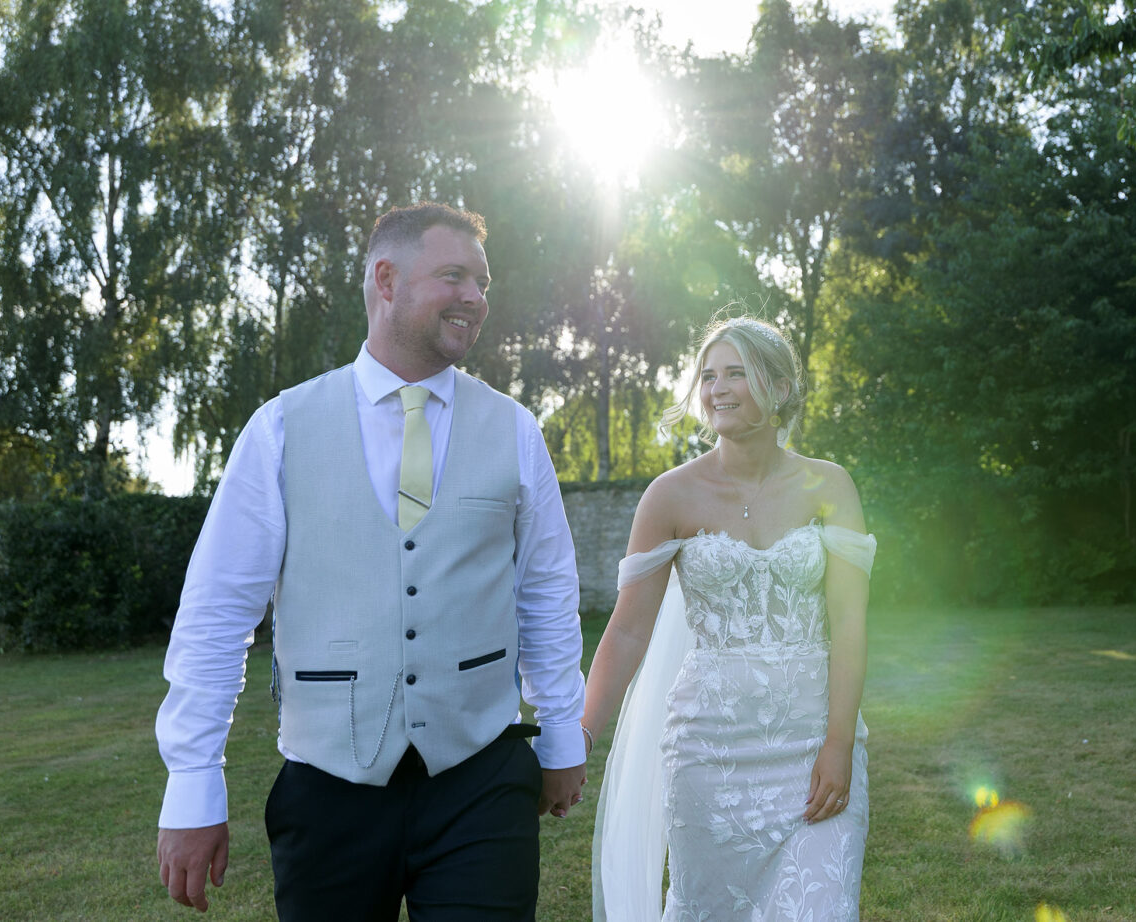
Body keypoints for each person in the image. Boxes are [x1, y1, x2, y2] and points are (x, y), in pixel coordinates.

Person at [155, 202, 587, 921]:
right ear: (385, 279)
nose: (476, 299)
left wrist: (563, 731)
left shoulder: (513, 430)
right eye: (454, 276)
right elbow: (218, 610)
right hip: (329, 790)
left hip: (481, 778)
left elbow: (544, 590)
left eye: (483, 282)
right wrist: (193, 781)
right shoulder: (282, 429)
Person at [582, 313, 876, 921]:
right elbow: (630, 629)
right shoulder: (670, 495)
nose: (716, 388)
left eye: (736, 373)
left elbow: (849, 625)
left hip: (813, 740)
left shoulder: (832, 486)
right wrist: (578, 735)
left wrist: (840, 742)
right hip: (708, 752)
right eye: (708, 375)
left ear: (781, 387)